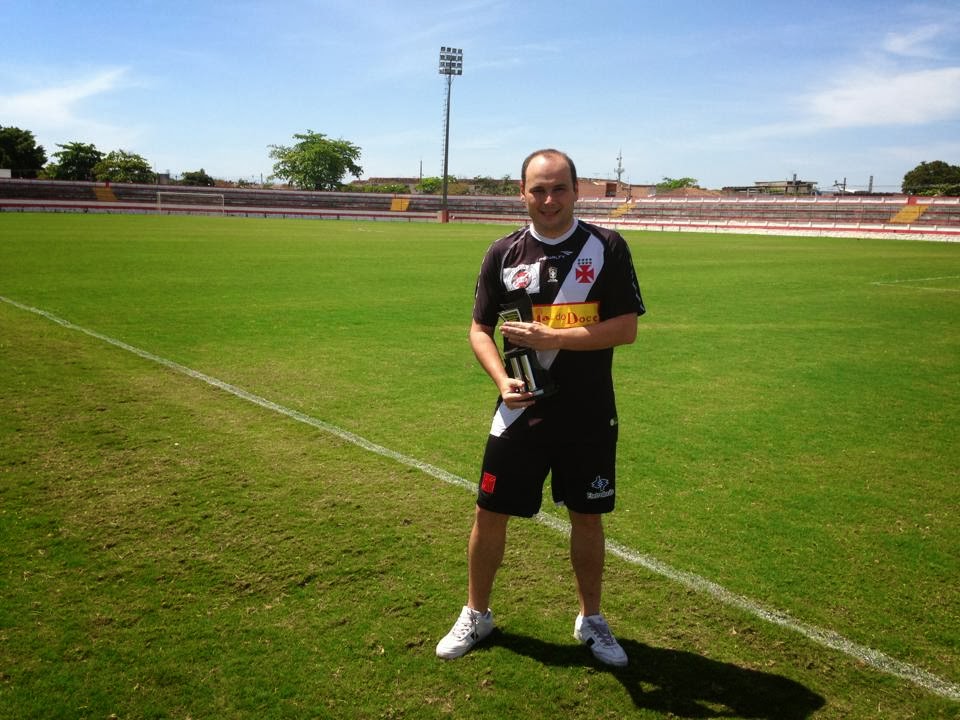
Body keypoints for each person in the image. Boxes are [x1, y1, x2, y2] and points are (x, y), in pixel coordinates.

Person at [436, 149, 646, 666]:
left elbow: (626, 328)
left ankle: (591, 619)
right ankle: (476, 613)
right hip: (518, 411)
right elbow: (479, 329)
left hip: (588, 413)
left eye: (558, 189)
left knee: (588, 518)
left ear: (575, 191)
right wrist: (501, 378)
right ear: (522, 193)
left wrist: (553, 337)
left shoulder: (607, 247)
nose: (549, 200)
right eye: (538, 189)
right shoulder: (502, 253)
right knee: (489, 512)